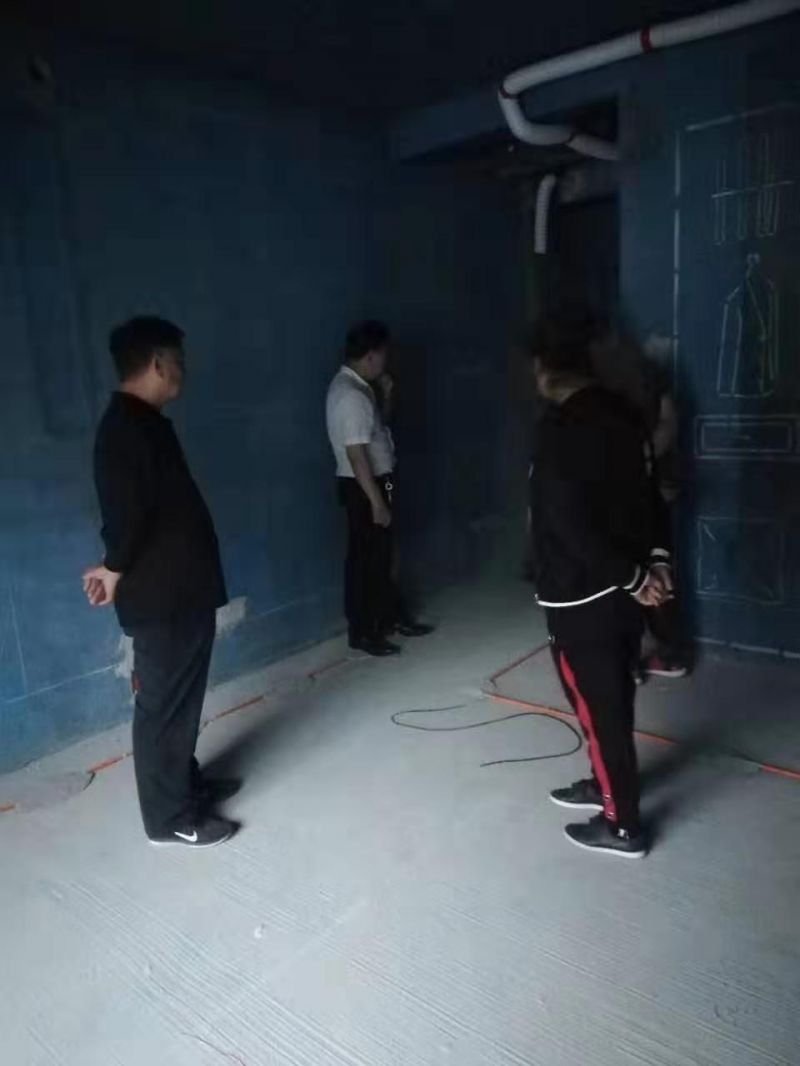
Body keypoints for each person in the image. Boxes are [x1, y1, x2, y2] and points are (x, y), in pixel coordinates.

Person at [83, 316, 239, 848]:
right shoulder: (125, 429)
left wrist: (115, 563)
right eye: (178, 360)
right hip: (160, 596)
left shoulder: (143, 422)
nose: (183, 370)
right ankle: (168, 818)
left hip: (180, 590)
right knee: (163, 706)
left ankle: (183, 784)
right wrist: (113, 567)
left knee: (181, 700)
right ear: (156, 363)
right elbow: (126, 516)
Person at [527, 308, 672, 858]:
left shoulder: (560, 429)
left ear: (544, 369)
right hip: (622, 593)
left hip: (582, 595)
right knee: (612, 699)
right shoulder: (625, 415)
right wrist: (655, 565)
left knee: (597, 706)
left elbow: (569, 524)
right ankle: (608, 782)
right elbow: (651, 496)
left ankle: (622, 825)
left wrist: (633, 576)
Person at [326, 320, 433, 657]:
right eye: (384, 354)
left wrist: (386, 396)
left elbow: (376, 431)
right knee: (367, 561)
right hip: (365, 487)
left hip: (373, 482)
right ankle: (364, 631)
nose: (387, 361)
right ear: (370, 355)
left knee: (382, 556)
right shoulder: (351, 396)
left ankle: (389, 617)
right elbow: (356, 455)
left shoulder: (360, 388)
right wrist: (377, 502)